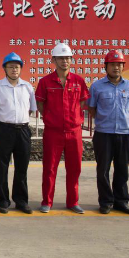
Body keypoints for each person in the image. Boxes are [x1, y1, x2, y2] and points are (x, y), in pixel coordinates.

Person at [35, 43, 89, 214]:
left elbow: (82, 103)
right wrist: (52, 118)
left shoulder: (79, 81)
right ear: (54, 60)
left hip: (74, 132)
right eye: (61, 58)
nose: (65, 61)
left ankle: (73, 201)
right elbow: (41, 105)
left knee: (74, 168)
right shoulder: (45, 82)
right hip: (53, 132)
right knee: (49, 168)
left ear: (71, 60)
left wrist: (74, 119)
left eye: (67, 58)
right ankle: (47, 201)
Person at [87, 50, 129, 215]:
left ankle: (121, 201)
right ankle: (106, 202)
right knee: (103, 170)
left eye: (119, 64)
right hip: (104, 134)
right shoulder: (96, 86)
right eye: (112, 64)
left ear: (123, 66)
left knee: (122, 169)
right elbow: (91, 108)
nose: (116, 67)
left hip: (125, 134)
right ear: (106, 66)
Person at [0, 52, 36, 214]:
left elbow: (30, 109)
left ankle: (21, 200)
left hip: (23, 130)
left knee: (22, 167)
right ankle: (2, 200)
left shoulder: (28, 87)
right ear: (5, 69)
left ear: (21, 69)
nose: (14, 70)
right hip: (5, 129)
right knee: (2, 166)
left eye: (17, 67)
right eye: (10, 67)